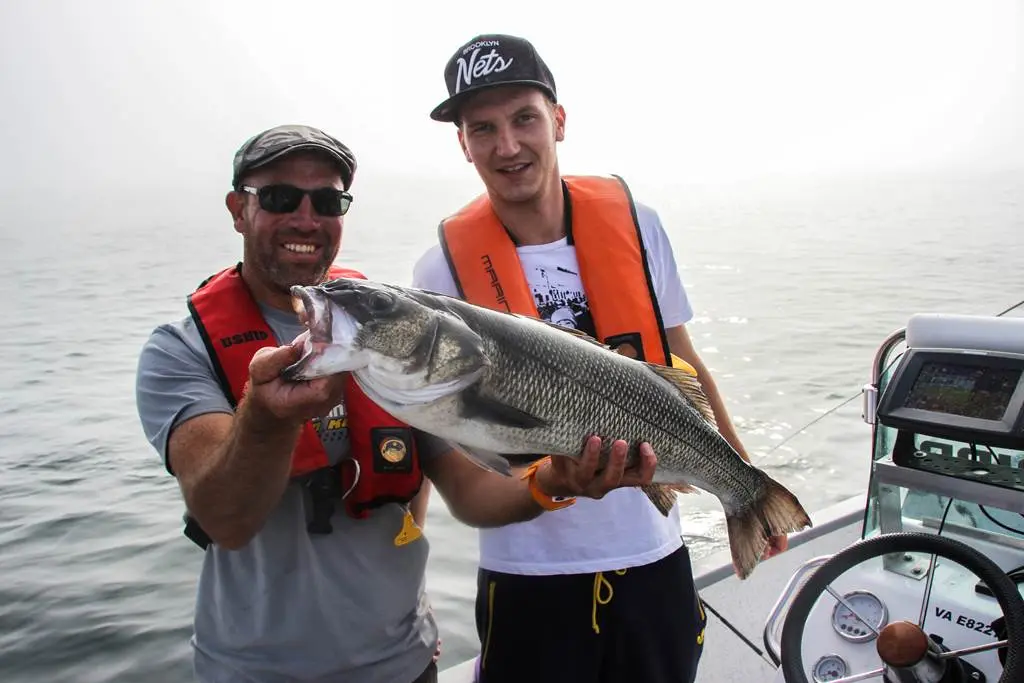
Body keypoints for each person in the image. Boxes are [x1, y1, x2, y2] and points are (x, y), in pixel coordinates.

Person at [134, 124, 659, 683]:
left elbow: (472, 492)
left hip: (404, 664)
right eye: (281, 198)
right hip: (252, 672)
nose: (306, 219)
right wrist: (265, 421)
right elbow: (225, 520)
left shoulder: (396, 335)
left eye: (328, 200)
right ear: (239, 210)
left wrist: (554, 482)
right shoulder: (181, 351)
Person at [412, 35, 791, 683]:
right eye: (483, 128)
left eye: (524, 117)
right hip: (528, 573)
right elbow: (447, 445)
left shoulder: (638, 224)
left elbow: (684, 361)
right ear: (463, 143)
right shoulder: (440, 270)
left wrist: (745, 485)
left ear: (558, 119)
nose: (507, 145)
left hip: (652, 557)